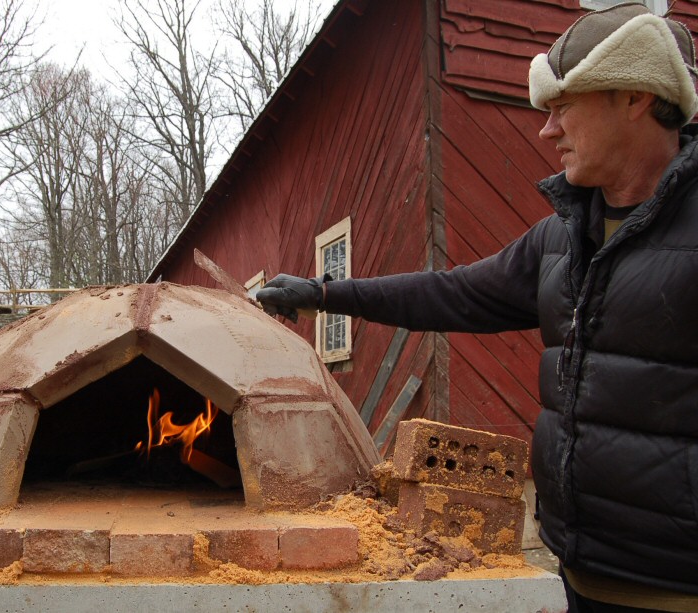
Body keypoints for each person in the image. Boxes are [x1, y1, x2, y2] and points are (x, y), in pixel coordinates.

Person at [256, 4, 698, 612]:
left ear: (635, 97)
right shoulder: (563, 239)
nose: (546, 130)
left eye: (563, 106)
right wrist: (326, 292)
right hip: (576, 578)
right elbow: (454, 293)